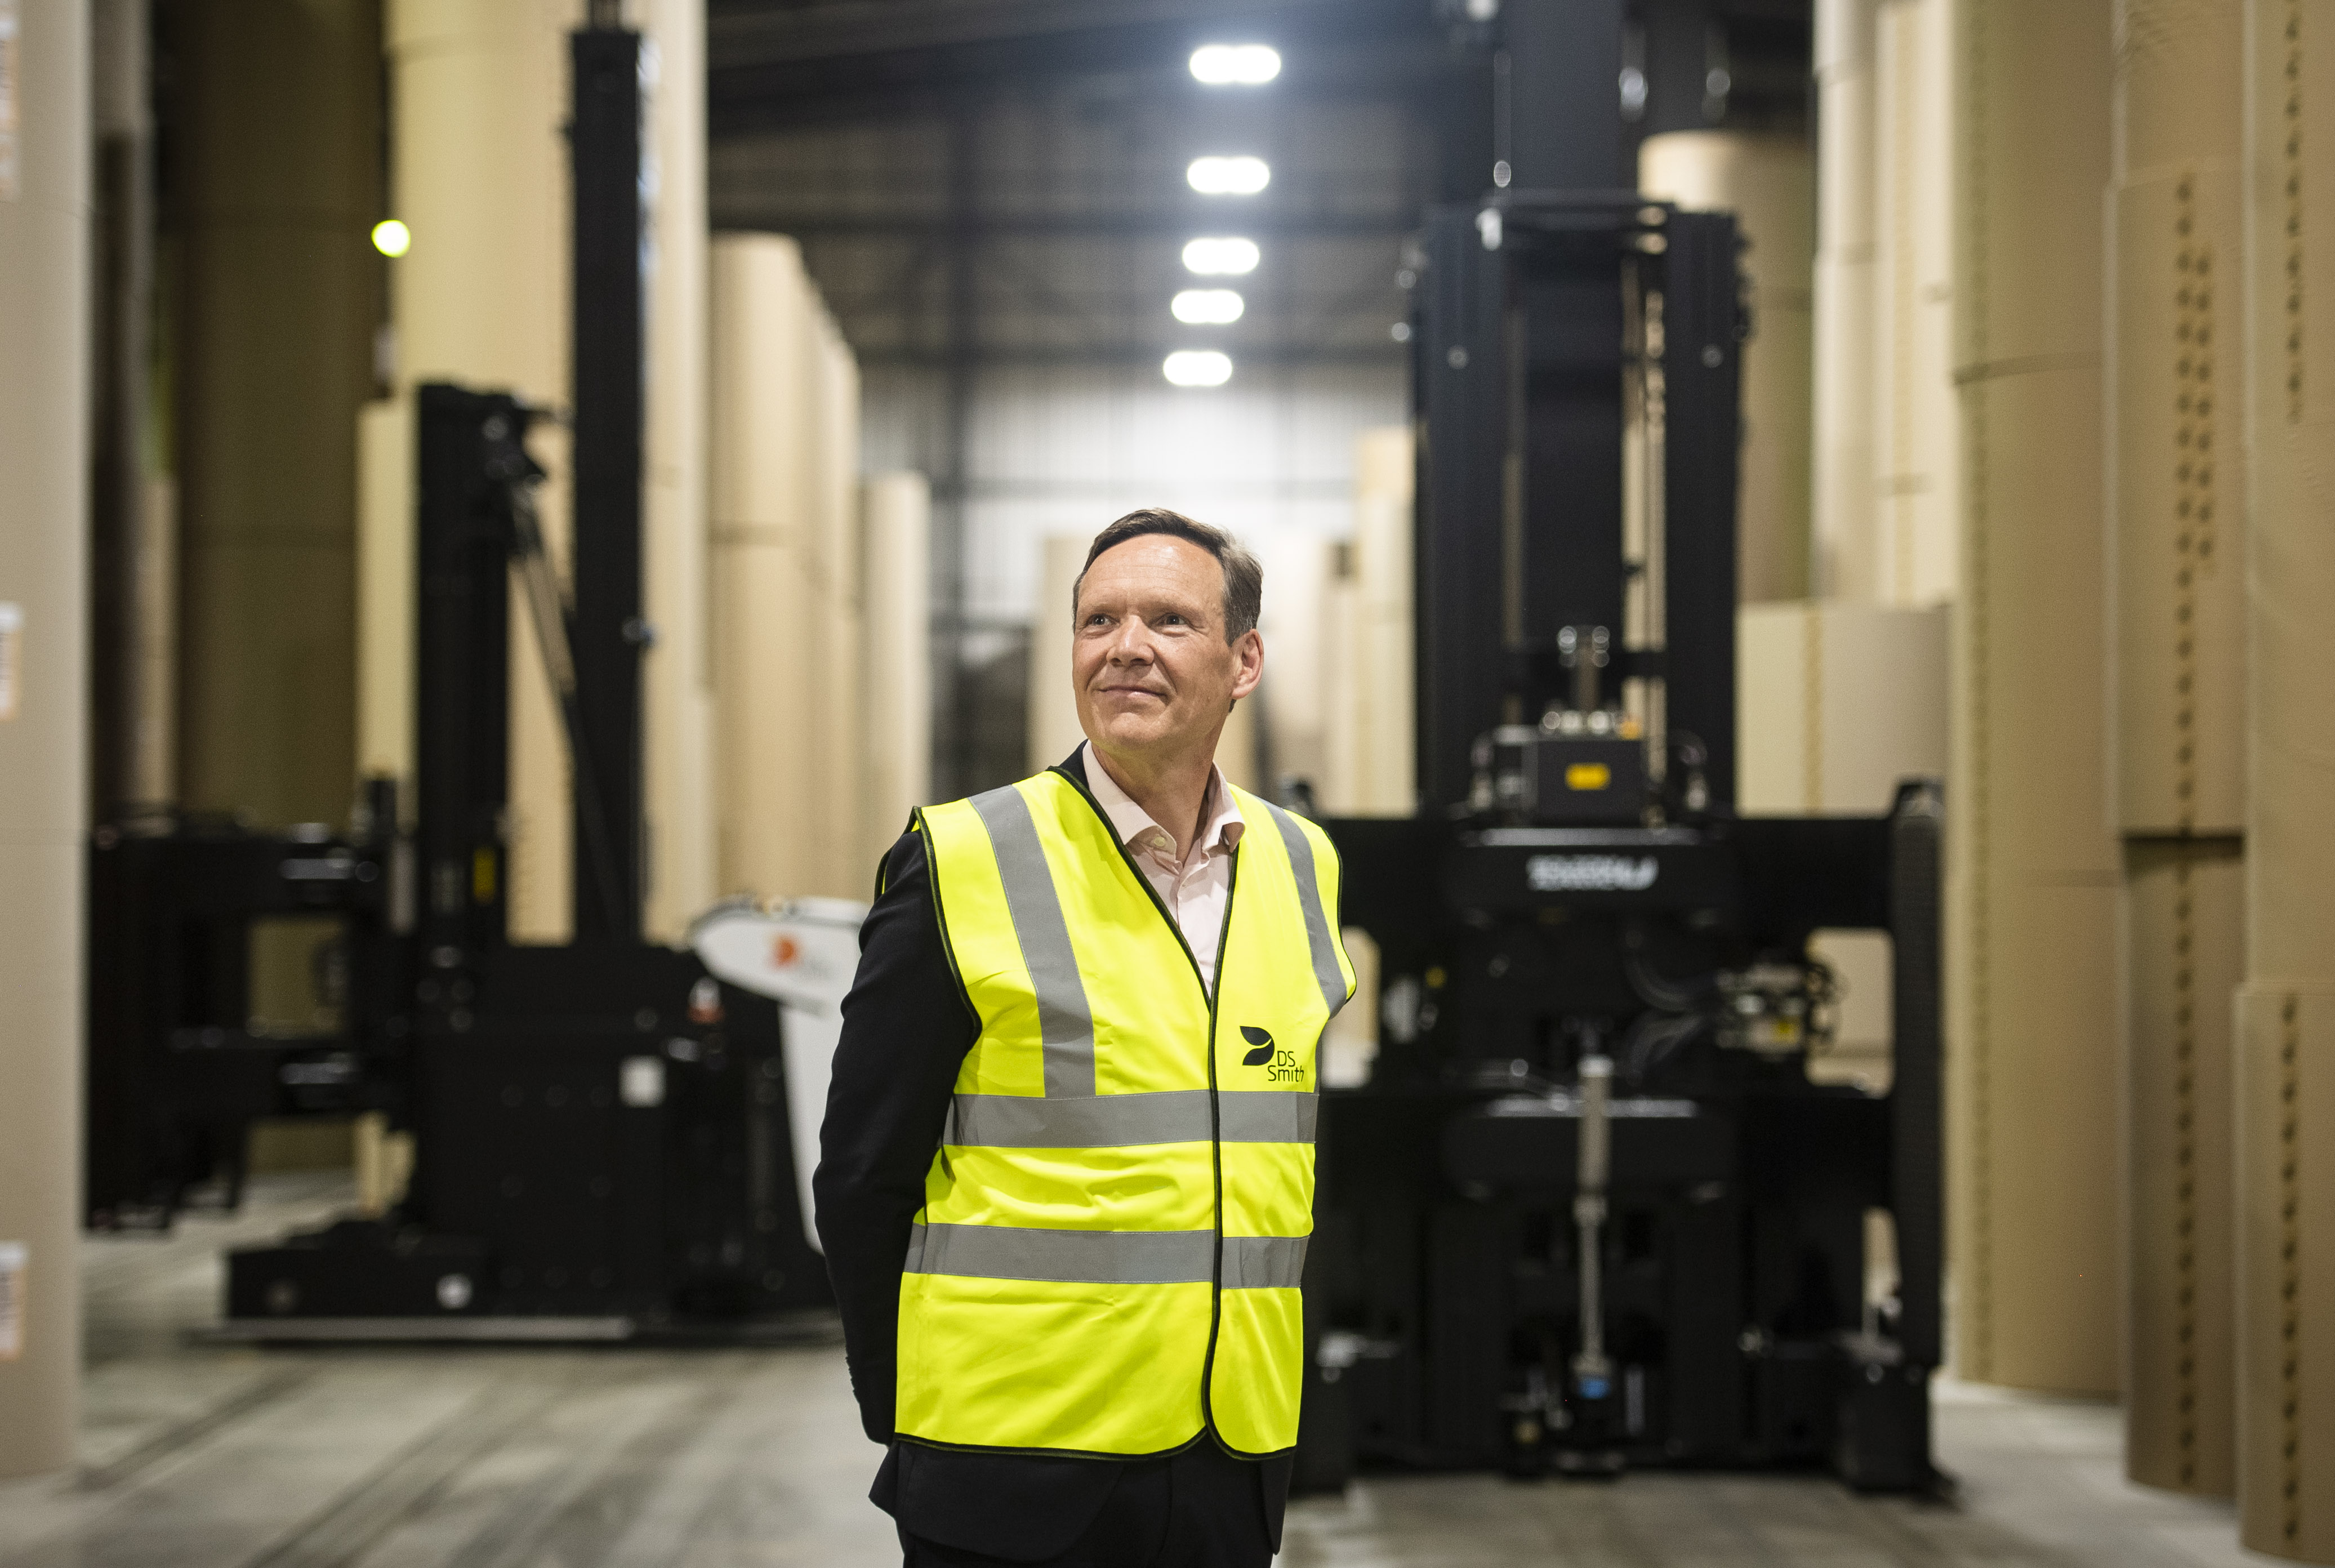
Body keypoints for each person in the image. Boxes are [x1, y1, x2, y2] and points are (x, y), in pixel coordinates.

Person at [816, 508, 1355, 1567]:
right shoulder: (966, 858)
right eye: (1098, 620)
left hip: (1228, 1450)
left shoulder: (1302, 865)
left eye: (1168, 620)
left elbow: (1276, 1166)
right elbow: (862, 1174)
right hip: (1007, 1457)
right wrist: (910, 1409)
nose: (1125, 647)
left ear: (1244, 659)